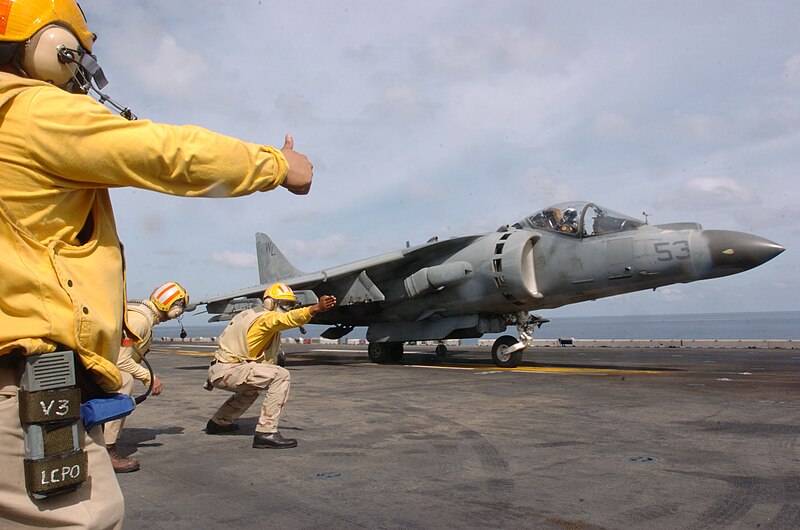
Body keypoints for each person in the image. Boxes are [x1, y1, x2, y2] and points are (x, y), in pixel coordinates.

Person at [0, 1, 314, 527]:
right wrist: (279, 166)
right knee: (85, 517)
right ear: (56, 47)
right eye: (80, 56)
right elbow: (168, 152)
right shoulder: (30, 112)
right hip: (23, 387)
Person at [205, 283, 336, 449]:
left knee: (251, 390)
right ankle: (266, 433)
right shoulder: (265, 318)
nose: (288, 308)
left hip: (222, 370)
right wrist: (315, 308)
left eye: (291, 305)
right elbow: (285, 319)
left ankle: (218, 423)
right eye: (285, 304)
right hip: (229, 370)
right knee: (281, 376)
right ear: (270, 303)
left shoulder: (248, 314)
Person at [104, 282, 190, 473]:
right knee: (124, 380)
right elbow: (121, 360)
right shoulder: (140, 320)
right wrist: (150, 378)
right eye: (180, 307)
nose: (179, 312)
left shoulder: (138, 312)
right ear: (172, 306)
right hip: (100, 367)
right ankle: (107, 449)